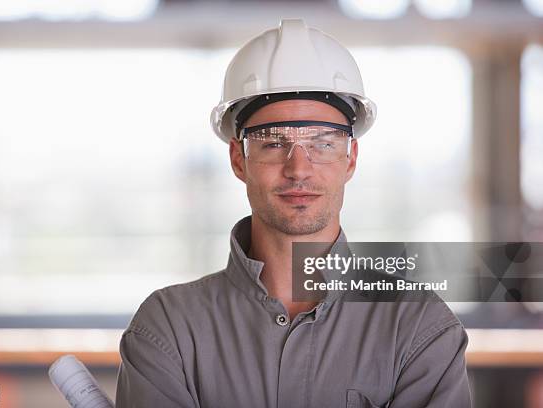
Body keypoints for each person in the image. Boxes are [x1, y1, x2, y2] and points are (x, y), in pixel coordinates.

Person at [116, 19, 471, 408]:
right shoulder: (169, 329)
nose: (298, 168)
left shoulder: (418, 327)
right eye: (272, 143)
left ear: (350, 158)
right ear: (239, 159)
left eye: (322, 142)